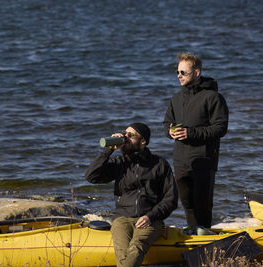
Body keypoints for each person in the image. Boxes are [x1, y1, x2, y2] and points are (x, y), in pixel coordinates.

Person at [85, 123, 178, 267]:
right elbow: (91, 176)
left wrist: (150, 216)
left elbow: (171, 199)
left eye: (130, 135)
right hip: (122, 218)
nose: (125, 138)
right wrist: (108, 151)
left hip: (151, 219)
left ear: (143, 141)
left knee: (136, 246)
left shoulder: (160, 164)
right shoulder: (119, 163)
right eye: (124, 134)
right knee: (122, 252)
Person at [163, 53, 229, 228]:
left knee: (202, 205)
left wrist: (190, 133)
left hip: (204, 160)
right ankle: (193, 236)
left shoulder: (213, 97)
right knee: (187, 204)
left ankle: (206, 241)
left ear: (197, 72)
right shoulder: (176, 99)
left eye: (183, 72)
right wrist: (170, 132)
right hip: (180, 161)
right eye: (177, 72)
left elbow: (220, 128)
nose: (179, 75)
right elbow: (166, 124)